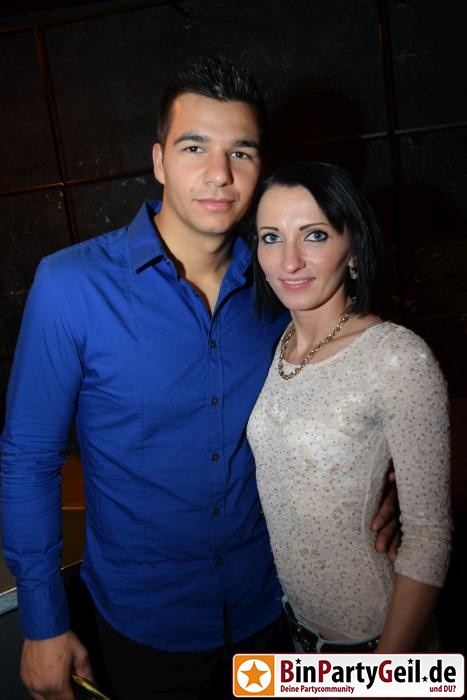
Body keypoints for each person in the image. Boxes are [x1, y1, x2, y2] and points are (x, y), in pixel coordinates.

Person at [1, 59, 398, 700]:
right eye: (194, 148)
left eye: (241, 151)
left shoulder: (284, 284)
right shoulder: (70, 287)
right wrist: (43, 622)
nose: (220, 174)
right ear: (159, 160)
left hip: (278, 610)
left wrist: (383, 480)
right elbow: (27, 458)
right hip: (143, 627)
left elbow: (344, 397)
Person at [247, 160, 452, 654]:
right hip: (298, 633)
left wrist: (387, 674)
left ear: (354, 250)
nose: (289, 261)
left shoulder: (396, 357)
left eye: (314, 236)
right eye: (271, 238)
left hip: (378, 642)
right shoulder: (282, 342)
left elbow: (429, 536)